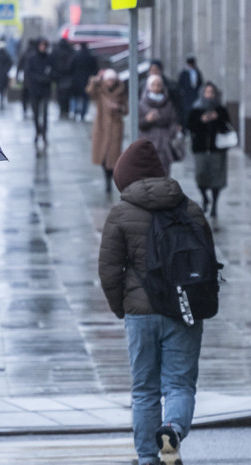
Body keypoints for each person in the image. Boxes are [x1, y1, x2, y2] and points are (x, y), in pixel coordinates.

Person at [99, 138, 213, 465]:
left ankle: (148, 459)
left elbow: (108, 271)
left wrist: (122, 308)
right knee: (179, 385)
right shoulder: (189, 207)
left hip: (141, 313)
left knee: (145, 390)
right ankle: (173, 430)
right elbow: (208, 259)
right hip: (184, 309)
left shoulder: (121, 213)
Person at [187, 82, 231, 218]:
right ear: (202, 94)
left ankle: (215, 205)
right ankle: (205, 197)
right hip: (200, 149)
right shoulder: (196, 109)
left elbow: (227, 127)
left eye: (212, 92)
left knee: (217, 178)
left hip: (217, 150)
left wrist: (217, 119)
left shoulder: (221, 110)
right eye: (207, 92)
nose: (209, 95)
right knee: (200, 176)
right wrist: (201, 120)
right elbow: (190, 127)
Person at [87, 69, 127, 192]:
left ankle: (111, 178)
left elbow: (126, 109)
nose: (110, 82)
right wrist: (95, 80)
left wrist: (118, 108)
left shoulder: (121, 91)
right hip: (101, 127)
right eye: (108, 79)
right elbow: (89, 91)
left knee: (114, 156)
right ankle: (107, 179)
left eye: (112, 80)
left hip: (115, 127)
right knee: (103, 155)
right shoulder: (100, 90)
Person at [139, 75, 179, 175]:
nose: (156, 87)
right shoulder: (142, 103)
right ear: (148, 87)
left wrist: (170, 135)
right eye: (153, 85)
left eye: (159, 85)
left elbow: (173, 120)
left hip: (164, 143)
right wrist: (147, 120)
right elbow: (137, 123)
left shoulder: (168, 103)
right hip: (148, 142)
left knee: (163, 173)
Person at [25, 38, 53, 144]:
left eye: (44, 45)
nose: (43, 47)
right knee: (36, 113)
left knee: (45, 113)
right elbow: (28, 73)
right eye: (41, 45)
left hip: (45, 89)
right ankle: (37, 131)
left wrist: (47, 78)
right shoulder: (32, 58)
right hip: (34, 90)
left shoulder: (48, 58)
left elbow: (53, 71)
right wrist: (37, 79)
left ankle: (44, 134)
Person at [68, 42, 98, 121]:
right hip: (87, 80)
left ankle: (74, 112)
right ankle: (83, 114)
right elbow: (95, 69)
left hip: (76, 80)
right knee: (85, 97)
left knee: (75, 97)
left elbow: (70, 67)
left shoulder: (75, 56)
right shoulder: (90, 56)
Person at [177, 56, 203, 131]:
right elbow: (180, 84)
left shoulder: (197, 72)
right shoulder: (184, 72)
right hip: (186, 97)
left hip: (195, 96)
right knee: (186, 113)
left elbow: (200, 83)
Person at [50, 38, 74, 119]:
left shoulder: (56, 51)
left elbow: (51, 62)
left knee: (60, 94)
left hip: (59, 76)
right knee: (67, 94)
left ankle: (62, 110)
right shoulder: (70, 51)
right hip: (68, 76)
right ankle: (66, 110)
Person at [16, 39, 38, 118]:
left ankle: (25, 109)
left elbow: (19, 66)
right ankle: (33, 110)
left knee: (25, 96)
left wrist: (17, 76)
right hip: (34, 80)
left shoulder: (25, 53)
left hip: (26, 78)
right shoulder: (35, 53)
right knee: (32, 96)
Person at [0, 42, 13, 110]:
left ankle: (1, 100)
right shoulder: (5, 54)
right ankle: (1, 100)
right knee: (1, 89)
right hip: (1, 74)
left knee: (0, 89)